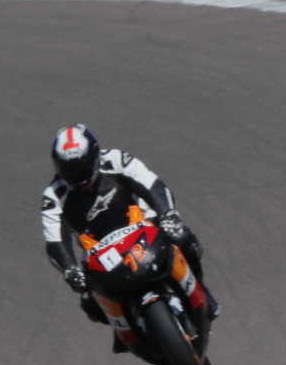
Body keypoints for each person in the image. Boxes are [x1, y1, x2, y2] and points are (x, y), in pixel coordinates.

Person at [41, 124, 219, 341]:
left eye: (83, 169)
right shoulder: (53, 196)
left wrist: (168, 214)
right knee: (90, 303)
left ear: (95, 155)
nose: (79, 179)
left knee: (183, 239)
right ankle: (127, 332)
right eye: (69, 172)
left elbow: (151, 184)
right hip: (99, 251)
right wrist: (70, 270)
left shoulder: (116, 160)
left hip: (142, 224)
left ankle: (203, 293)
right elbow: (55, 241)